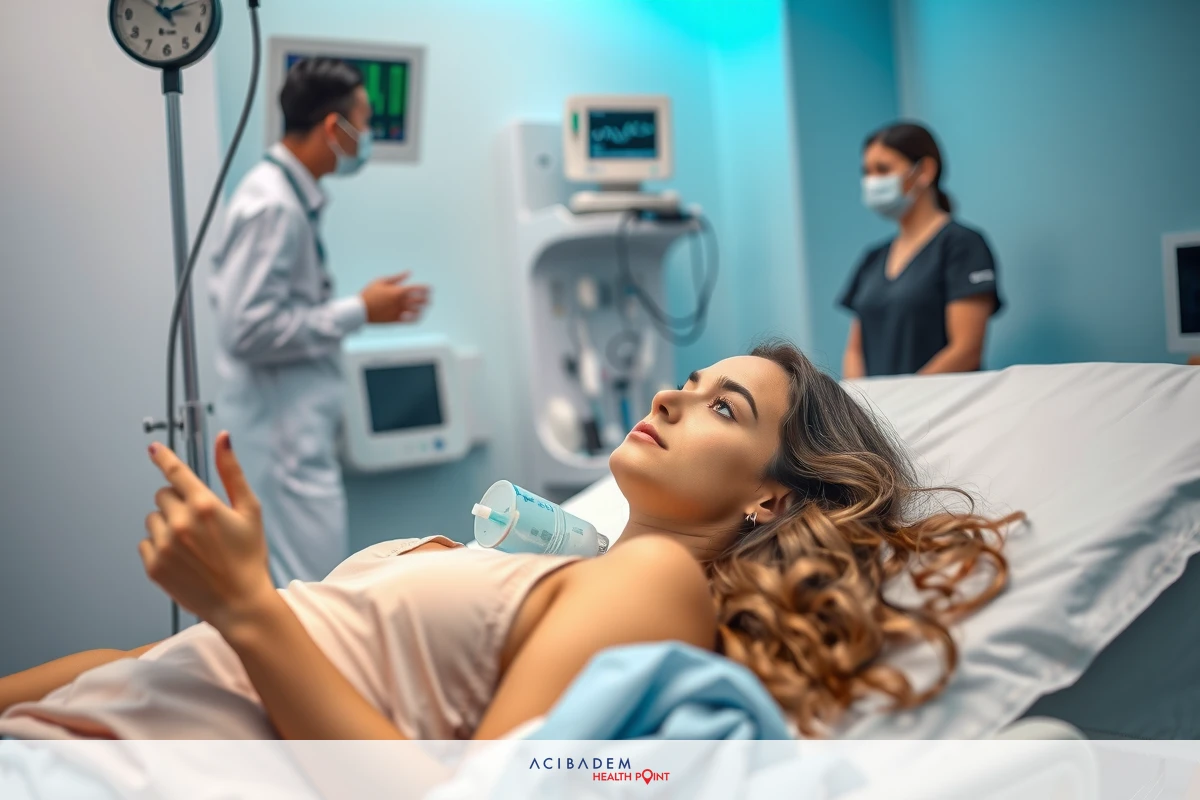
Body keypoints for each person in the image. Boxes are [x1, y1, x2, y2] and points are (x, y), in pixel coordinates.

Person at [0, 342, 1019, 740]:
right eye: (693, 378)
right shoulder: (569, 562)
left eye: (724, 406)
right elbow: (150, 660)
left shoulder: (659, 579)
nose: (670, 391)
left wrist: (248, 605)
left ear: (768, 498)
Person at [208, 58, 430, 586]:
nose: (369, 138)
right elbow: (248, 331)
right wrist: (360, 310)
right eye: (366, 123)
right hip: (283, 452)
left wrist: (363, 311)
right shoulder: (274, 207)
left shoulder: (287, 198)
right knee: (310, 598)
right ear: (336, 128)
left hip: (289, 441)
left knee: (297, 594)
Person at [841, 122, 1003, 378]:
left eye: (883, 169)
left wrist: (906, 398)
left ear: (925, 171)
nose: (872, 181)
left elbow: (966, 349)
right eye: (867, 172)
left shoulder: (962, 246)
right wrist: (857, 407)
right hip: (877, 413)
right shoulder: (873, 258)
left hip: (942, 409)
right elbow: (855, 351)